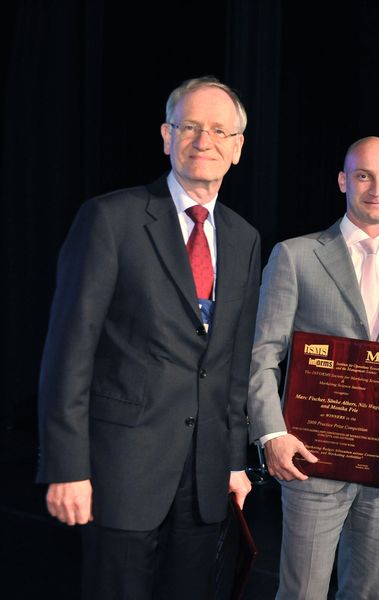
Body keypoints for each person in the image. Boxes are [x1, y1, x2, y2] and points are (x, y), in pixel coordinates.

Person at [37, 76, 261, 599]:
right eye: (190, 126)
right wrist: (67, 467)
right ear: (166, 135)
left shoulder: (244, 238)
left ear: (237, 148)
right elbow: (68, 353)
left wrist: (232, 460)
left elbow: (229, 364)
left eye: (218, 131)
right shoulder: (110, 220)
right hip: (120, 473)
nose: (204, 141)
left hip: (204, 480)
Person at [248, 136, 379, 599]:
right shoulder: (295, 256)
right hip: (312, 459)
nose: (376, 188)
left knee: (370, 592)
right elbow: (262, 355)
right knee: (302, 593)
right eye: (364, 175)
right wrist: (272, 435)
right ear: (342, 181)